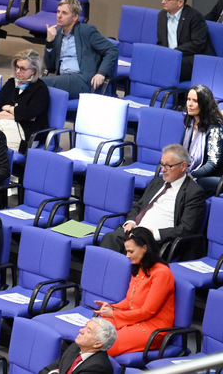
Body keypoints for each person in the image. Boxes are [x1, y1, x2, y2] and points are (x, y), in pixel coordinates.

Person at [100, 144, 206, 254]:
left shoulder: (193, 192)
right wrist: (130, 222)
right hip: (136, 231)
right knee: (110, 238)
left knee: (125, 247)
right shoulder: (157, 182)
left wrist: (154, 233)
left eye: (168, 166)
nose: (163, 170)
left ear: (183, 166)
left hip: (157, 240)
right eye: (162, 164)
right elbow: (138, 206)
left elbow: (186, 229)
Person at [94, 228, 175, 357]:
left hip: (152, 327)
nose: (127, 255)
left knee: (105, 343)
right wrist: (111, 307)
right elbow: (128, 301)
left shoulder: (162, 273)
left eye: (131, 251)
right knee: (92, 328)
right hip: (132, 318)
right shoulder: (140, 266)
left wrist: (114, 314)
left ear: (144, 248)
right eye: (127, 251)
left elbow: (148, 311)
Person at [42, 0, 118, 100]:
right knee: (34, 86)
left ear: (75, 17)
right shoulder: (58, 34)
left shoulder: (86, 31)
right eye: (58, 12)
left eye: (64, 13)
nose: (59, 16)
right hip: (64, 79)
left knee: (38, 84)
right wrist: (49, 42)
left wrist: (101, 73)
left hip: (82, 80)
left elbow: (112, 50)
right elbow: (50, 66)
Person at [0, 49, 50, 153]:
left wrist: (9, 108)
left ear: (33, 70)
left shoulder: (40, 89)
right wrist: (20, 115)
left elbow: (30, 113)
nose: (17, 71)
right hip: (3, 123)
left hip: (26, 133)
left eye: (22, 69)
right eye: (17, 67)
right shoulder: (10, 83)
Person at [157, 0, 213, 81]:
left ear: (180, 2)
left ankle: (169, 94)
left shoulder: (194, 17)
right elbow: (161, 42)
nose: (163, 2)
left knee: (167, 66)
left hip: (192, 59)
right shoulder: (162, 16)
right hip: (171, 58)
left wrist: (174, 53)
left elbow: (198, 44)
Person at [182, 84, 223, 197]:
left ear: (204, 105)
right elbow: (182, 151)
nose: (189, 104)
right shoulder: (189, 122)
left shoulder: (214, 128)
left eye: (195, 101)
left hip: (213, 177)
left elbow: (212, 164)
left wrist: (190, 175)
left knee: (187, 188)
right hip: (193, 172)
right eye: (188, 99)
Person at [39, 317, 117, 374]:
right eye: (84, 328)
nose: (81, 331)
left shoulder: (98, 368)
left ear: (97, 344)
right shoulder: (75, 346)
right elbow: (45, 370)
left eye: (88, 331)